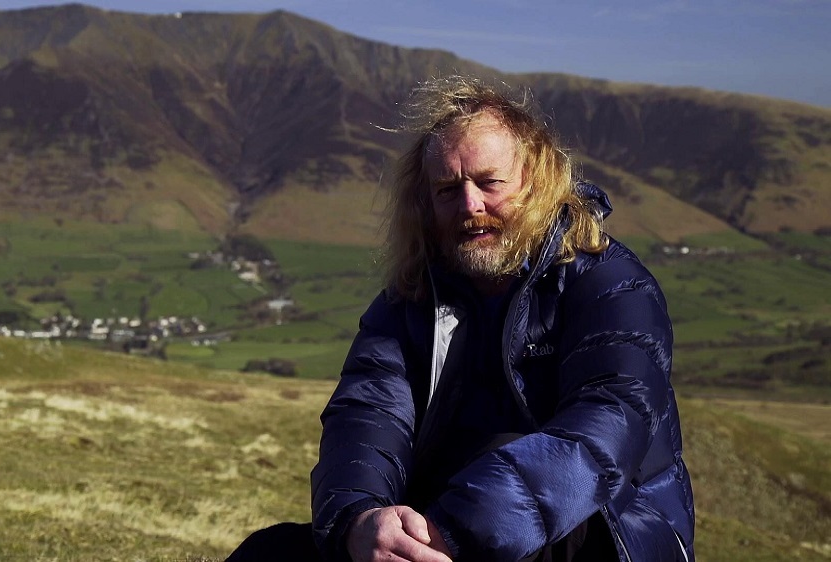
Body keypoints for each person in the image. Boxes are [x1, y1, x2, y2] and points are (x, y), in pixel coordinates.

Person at [228, 74, 695, 562]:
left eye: (490, 183)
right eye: (448, 189)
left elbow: (605, 430)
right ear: (425, 203)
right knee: (269, 552)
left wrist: (451, 533)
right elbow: (368, 414)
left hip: (602, 531)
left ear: (536, 183)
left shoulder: (610, 285)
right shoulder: (409, 299)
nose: (471, 205)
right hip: (442, 522)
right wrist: (359, 522)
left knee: (504, 448)